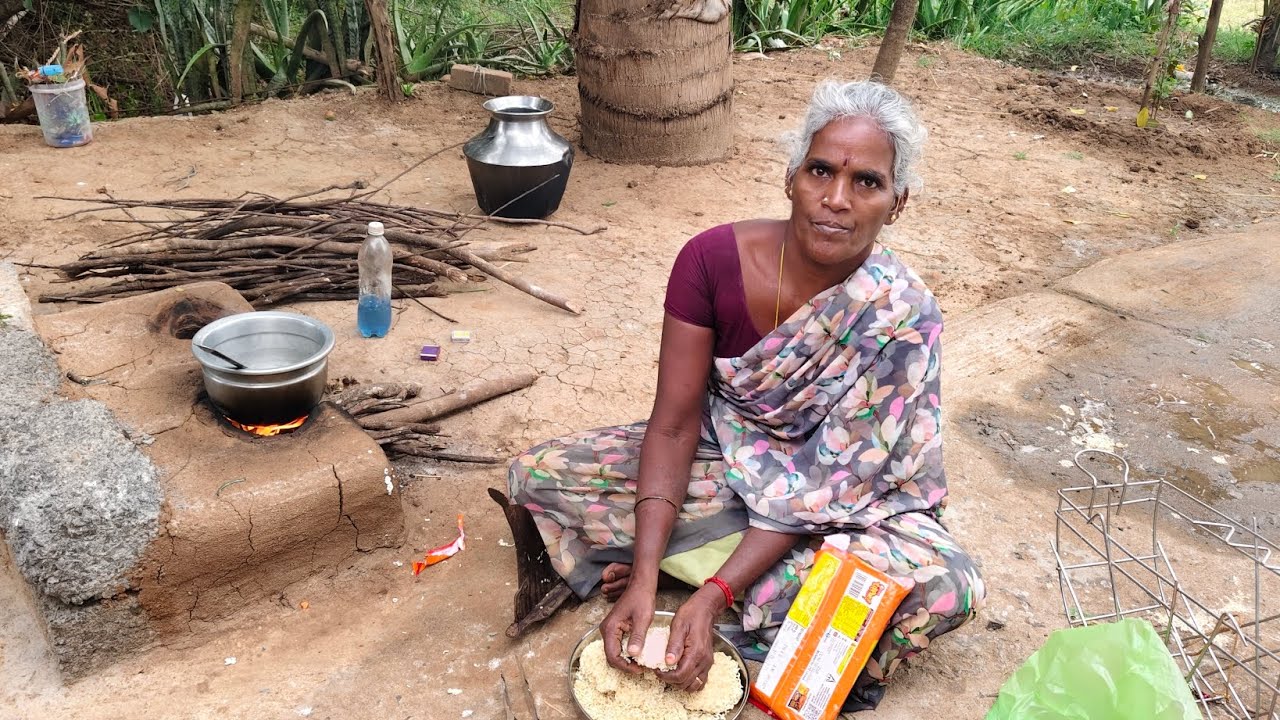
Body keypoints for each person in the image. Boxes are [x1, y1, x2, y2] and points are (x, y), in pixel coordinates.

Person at [500, 79, 985, 712]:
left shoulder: (901, 313)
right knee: (540, 474)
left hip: (844, 501)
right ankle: (702, 577)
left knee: (950, 584)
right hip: (725, 458)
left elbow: (831, 485)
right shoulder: (710, 261)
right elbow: (673, 427)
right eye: (820, 171)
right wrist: (644, 577)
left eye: (866, 181)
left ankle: (711, 584)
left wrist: (711, 598)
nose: (836, 199)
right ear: (791, 177)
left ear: (896, 202)